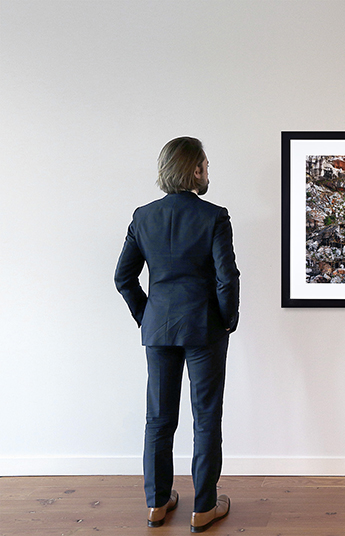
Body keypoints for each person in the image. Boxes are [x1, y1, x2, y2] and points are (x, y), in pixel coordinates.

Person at [115, 137, 240, 532]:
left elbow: (123, 277)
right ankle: (203, 507)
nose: (208, 171)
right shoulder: (214, 216)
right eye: (206, 164)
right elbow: (227, 278)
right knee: (205, 418)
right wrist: (227, 320)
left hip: (159, 328)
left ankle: (157, 503)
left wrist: (146, 316)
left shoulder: (143, 216)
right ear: (195, 169)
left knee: (158, 418)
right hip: (204, 329)